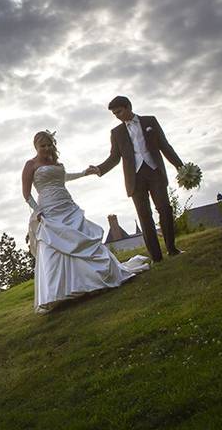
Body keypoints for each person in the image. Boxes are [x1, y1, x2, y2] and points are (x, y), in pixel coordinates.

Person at [22, 131, 149, 314]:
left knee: (81, 237)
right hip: (48, 210)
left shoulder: (55, 162)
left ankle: (91, 281)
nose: (47, 148)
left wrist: (84, 173)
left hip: (67, 204)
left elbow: (63, 177)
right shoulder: (31, 165)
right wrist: (38, 211)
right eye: (43, 146)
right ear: (36, 147)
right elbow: (27, 194)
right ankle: (60, 292)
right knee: (55, 245)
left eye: (49, 145)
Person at [89, 96, 184, 262]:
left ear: (128, 107)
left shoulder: (150, 121)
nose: (117, 116)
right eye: (114, 114)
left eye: (119, 111)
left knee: (165, 209)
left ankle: (172, 248)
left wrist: (179, 166)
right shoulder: (116, 132)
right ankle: (156, 257)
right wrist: (99, 169)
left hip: (155, 171)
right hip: (134, 178)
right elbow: (114, 157)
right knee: (144, 216)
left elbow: (164, 145)